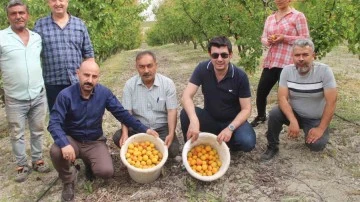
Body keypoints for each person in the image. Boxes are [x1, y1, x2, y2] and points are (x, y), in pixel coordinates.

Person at [48, 61, 158, 201]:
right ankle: (68, 180)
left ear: (98, 77)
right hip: (72, 139)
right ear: (78, 74)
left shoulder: (104, 93)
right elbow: (54, 123)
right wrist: (64, 143)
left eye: (94, 76)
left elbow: (122, 114)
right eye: (86, 75)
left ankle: (89, 162)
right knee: (56, 150)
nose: (89, 80)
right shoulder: (65, 95)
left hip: (94, 141)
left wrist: (145, 129)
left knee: (106, 172)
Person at [261, 39, 337, 161]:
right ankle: (272, 146)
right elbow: (282, 98)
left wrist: (320, 128)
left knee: (316, 146)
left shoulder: (324, 71)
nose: (301, 59)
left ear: (313, 56)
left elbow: (331, 102)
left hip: (314, 118)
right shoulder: (287, 71)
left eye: (305, 55)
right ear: (292, 57)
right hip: (295, 113)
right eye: (297, 55)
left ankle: (318, 129)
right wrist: (292, 120)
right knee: (274, 113)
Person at [0, 0, 50, 183]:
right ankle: (21, 165)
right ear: (8, 17)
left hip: (38, 94)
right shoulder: (1, 37)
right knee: (17, 133)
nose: (18, 16)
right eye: (13, 13)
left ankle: (37, 160)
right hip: (14, 97)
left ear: (27, 15)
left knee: (37, 129)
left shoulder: (37, 37)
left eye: (21, 12)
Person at [180, 36, 256, 152]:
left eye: (224, 55)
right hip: (210, 119)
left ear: (230, 55)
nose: (219, 59)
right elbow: (186, 96)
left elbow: (246, 109)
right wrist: (194, 120)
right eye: (215, 55)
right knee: (186, 113)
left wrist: (230, 128)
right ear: (210, 55)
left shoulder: (240, 76)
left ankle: (221, 144)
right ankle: (192, 147)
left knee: (247, 142)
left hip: (232, 121)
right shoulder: (202, 69)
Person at [251, 0, 310, 127]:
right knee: (261, 91)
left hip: (288, 63)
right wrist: (269, 41)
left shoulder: (298, 16)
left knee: (284, 96)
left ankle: (286, 120)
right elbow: (263, 37)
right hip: (272, 61)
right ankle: (261, 115)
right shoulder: (270, 18)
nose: (279, 1)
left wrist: (284, 38)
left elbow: (305, 38)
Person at [112, 51, 180, 158]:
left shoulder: (167, 84)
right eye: (142, 67)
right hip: (137, 128)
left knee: (173, 150)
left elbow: (172, 111)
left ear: (156, 66)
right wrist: (125, 134)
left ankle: (144, 151)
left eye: (149, 66)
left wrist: (171, 133)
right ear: (137, 67)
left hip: (161, 129)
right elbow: (126, 113)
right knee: (118, 137)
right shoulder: (130, 85)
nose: (146, 70)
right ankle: (146, 153)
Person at [34, 0, 95, 110]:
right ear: (48, 2)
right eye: (53, 0)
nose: (58, 3)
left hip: (77, 82)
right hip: (52, 83)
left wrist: (91, 78)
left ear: (67, 1)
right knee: (57, 118)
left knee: (79, 116)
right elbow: (33, 55)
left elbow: (89, 54)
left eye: (61, 0)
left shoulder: (79, 24)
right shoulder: (40, 25)